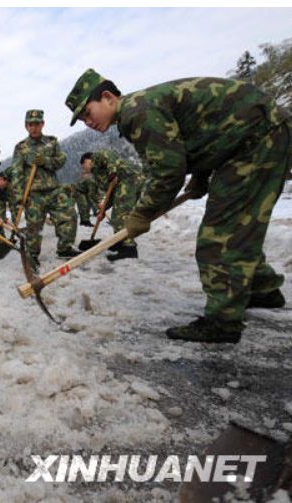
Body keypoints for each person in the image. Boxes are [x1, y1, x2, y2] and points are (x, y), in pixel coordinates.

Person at [66, 68, 290, 343]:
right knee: (241, 225)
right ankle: (263, 288)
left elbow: (168, 172)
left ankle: (222, 323)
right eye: (82, 119)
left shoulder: (138, 112)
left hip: (258, 138)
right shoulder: (138, 110)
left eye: (88, 113)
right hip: (250, 138)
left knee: (220, 233)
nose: (87, 122)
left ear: (108, 97)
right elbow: (202, 135)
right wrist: (200, 174)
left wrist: (142, 213)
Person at [8, 109, 78, 272]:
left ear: (43, 124)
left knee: (69, 216)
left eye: (37, 124)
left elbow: (61, 160)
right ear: (26, 126)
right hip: (33, 195)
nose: (34, 127)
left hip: (53, 190)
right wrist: (19, 196)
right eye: (30, 124)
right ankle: (32, 255)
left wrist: (46, 161)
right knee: (34, 227)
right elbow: (16, 172)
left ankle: (65, 248)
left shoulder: (52, 142)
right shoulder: (21, 148)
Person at [85, 149, 146, 261]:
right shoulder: (98, 175)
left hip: (130, 179)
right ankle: (121, 242)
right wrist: (102, 211)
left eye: (84, 164)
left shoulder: (97, 156)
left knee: (120, 215)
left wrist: (112, 172)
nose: (84, 168)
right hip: (124, 184)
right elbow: (111, 193)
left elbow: (110, 155)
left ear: (89, 160)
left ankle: (129, 248)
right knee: (117, 216)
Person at [71, 152, 101, 227]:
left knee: (89, 203)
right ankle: (84, 220)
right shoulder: (88, 177)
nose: (91, 166)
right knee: (84, 205)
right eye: (88, 164)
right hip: (78, 191)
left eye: (91, 164)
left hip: (86, 191)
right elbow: (92, 194)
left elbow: (95, 191)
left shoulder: (94, 174)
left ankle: (93, 214)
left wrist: (98, 203)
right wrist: (98, 205)